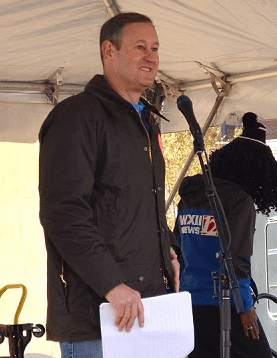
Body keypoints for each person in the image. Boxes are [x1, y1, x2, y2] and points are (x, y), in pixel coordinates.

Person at [39, 12, 180, 358]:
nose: (152, 57)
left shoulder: (146, 122)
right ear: (109, 51)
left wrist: (169, 252)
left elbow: (139, 207)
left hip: (149, 310)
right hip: (98, 319)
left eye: (156, 49)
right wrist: (112, 286)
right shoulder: (77, 117)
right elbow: (63, 214)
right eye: (140, 47)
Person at [175, 112, 277, 358]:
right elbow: (236, 259)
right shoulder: (240, 200)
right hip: (225, 305)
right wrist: (245, 307)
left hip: (187, 306)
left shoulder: (190, 195)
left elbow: (176, 250)